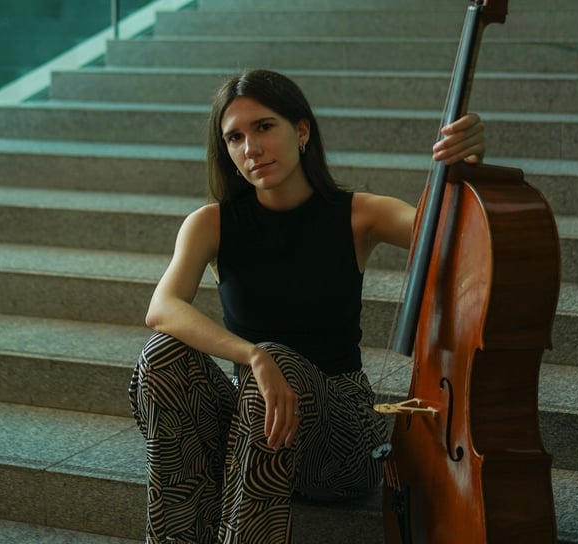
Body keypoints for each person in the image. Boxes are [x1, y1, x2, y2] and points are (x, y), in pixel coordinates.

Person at [128, 69, 485, 543]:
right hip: (258, 420)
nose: (251, 148)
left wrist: (466, 170)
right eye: (235, 137)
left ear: (301, 131)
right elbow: (162, 307)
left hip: (339, 441)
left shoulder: (360, 214)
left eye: (264, 127)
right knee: (161, 355)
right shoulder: (211, 224)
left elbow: (459, 241)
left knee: (277, 362)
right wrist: (253, 356)